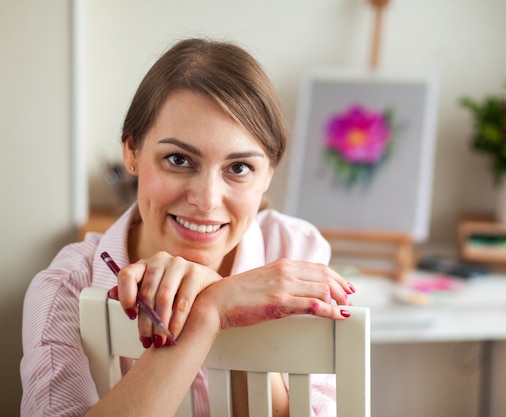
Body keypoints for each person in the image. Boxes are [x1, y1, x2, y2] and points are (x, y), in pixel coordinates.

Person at [20, 38, 355, 417]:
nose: (208, 199)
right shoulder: (68, 287)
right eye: (178, 159)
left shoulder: (296, 250)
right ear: (131, 152)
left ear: (268, 175)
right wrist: (208, 315)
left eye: (239, 168)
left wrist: (228, 311)